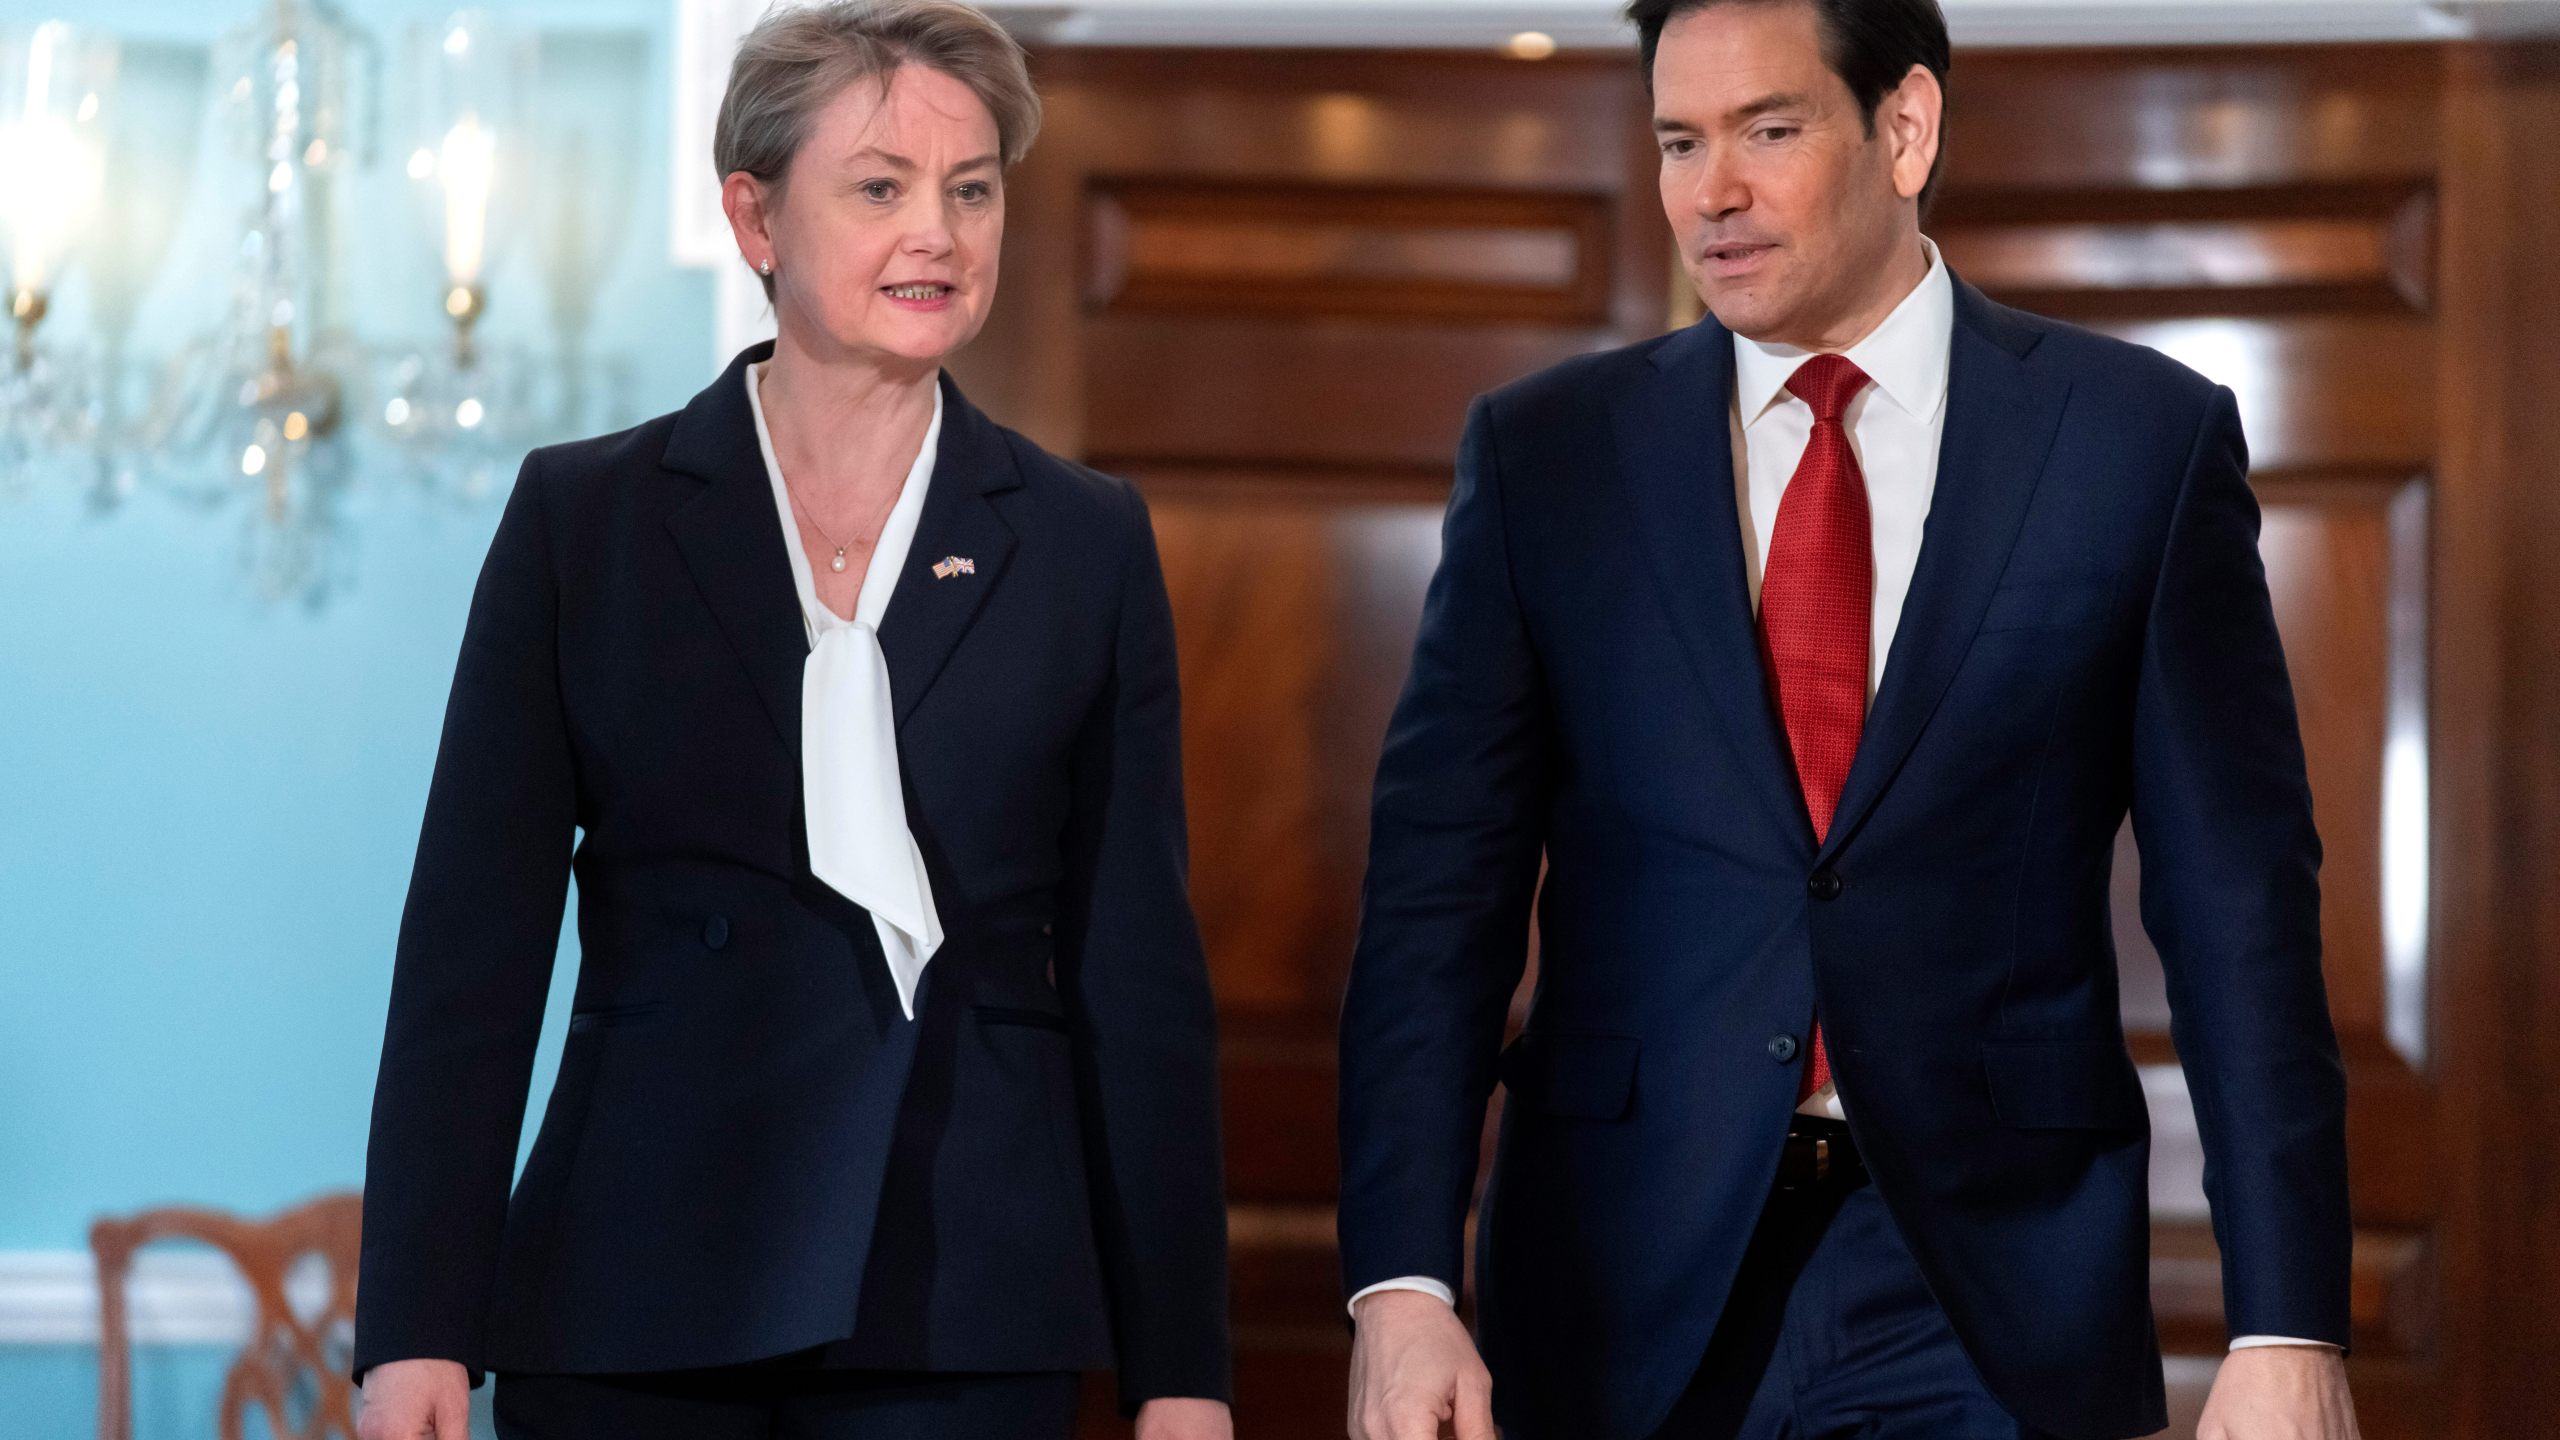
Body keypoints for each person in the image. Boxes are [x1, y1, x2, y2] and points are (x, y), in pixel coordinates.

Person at [1335, 1, 2361, 1437]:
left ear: (1905, 129)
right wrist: (1400, 1282)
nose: (1713, 191)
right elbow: (1438, 900)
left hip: (1987, 1290)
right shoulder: (1546, 456)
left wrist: (2287, 1318)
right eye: (1679, 142)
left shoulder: (2137, 443)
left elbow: (2239, 901)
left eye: (1768, 129)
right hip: (1619, 1271)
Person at [350, 4, 1233, 1437]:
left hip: (966, 1292)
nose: (937, 233)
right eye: (879, 187)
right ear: (754, 216)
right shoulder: (589, 521)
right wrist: (413, 1327)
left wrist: (1184, 1371)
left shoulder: (1085, 542)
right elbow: (471, 949)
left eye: (973, 187)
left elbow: (1137, 978)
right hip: (635, 1284)